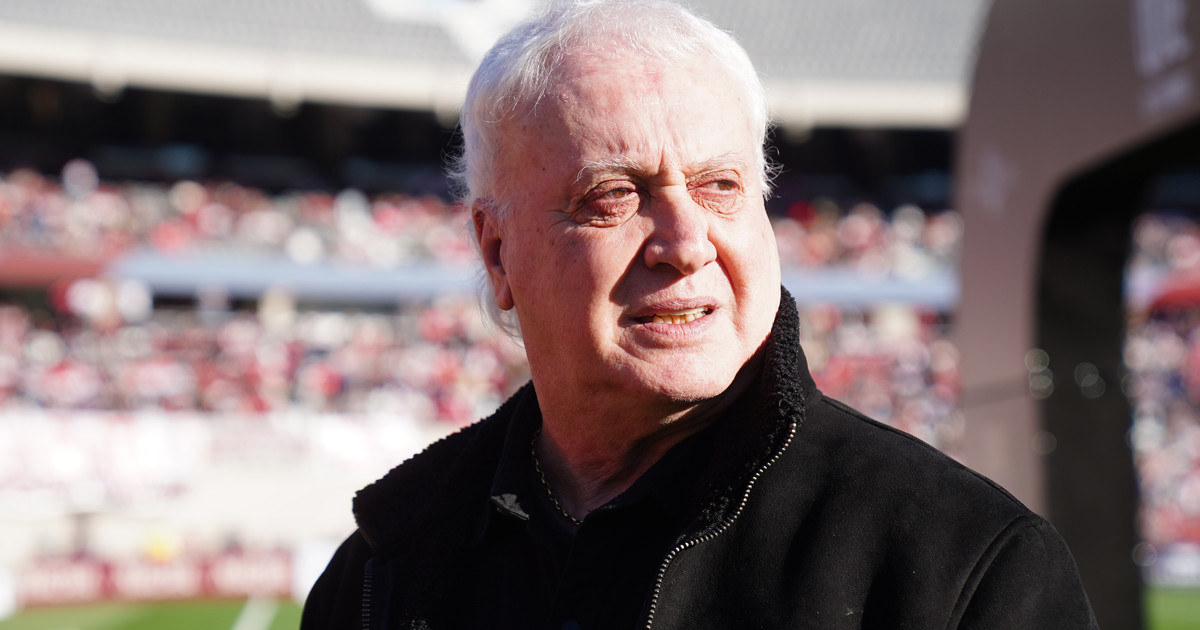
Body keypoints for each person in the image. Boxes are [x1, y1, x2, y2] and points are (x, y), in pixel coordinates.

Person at [300, 0, 1099, 628]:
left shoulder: (968, 566)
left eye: (721, 187)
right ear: (497, 250)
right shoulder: (381, 573)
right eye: (615, 195)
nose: (686, 244)